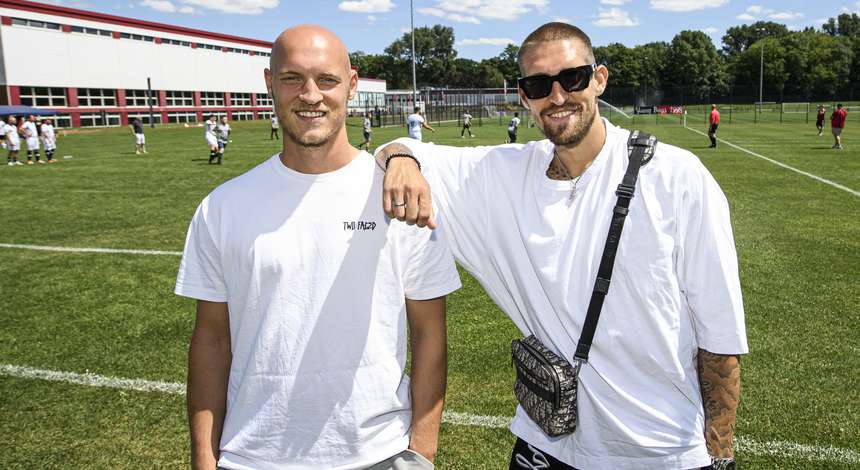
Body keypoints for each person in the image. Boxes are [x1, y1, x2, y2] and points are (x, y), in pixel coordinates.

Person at [376, 22, 747, 470]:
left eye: (572, 78)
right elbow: (399, 149)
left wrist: (719, 452)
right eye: (538, 84)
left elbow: (719, 336)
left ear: (599, 79)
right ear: (523, 96)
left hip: (658, 450)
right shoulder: (502, 175)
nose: (557, 96)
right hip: (546, 444)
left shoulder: (676, 177)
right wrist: (400, 159)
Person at [176, 25, 459, 470]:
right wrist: (204, 460)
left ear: (351, 83)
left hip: (379, 455)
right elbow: (211, 339)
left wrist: (421, 452)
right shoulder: (222, 207)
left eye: (326, 80)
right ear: (269, 84)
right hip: (251, 458)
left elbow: (430, 334)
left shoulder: (404, 197)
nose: (310, 95)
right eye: (292, 79)